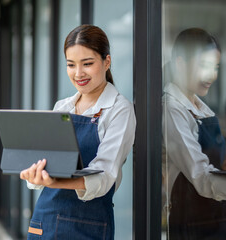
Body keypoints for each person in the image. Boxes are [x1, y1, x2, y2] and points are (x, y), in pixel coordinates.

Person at [20, 24, 136, 240]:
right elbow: (46, 162)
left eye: (88, 64)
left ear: (107, 62)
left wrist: (56, 182)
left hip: (88, 226)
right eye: (71, 65)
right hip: (44, 220)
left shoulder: (120, 109)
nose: (78, 73)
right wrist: (34, 173)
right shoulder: (62, 107)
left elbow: (104, 175)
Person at [162, 28, 226, 240]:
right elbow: (200, 175)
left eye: (215, 67)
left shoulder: (203, 109)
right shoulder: (172, 108)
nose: (212, 75)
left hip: (216, 219)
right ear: (181, 63)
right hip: (190, 225)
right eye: (204, 66)